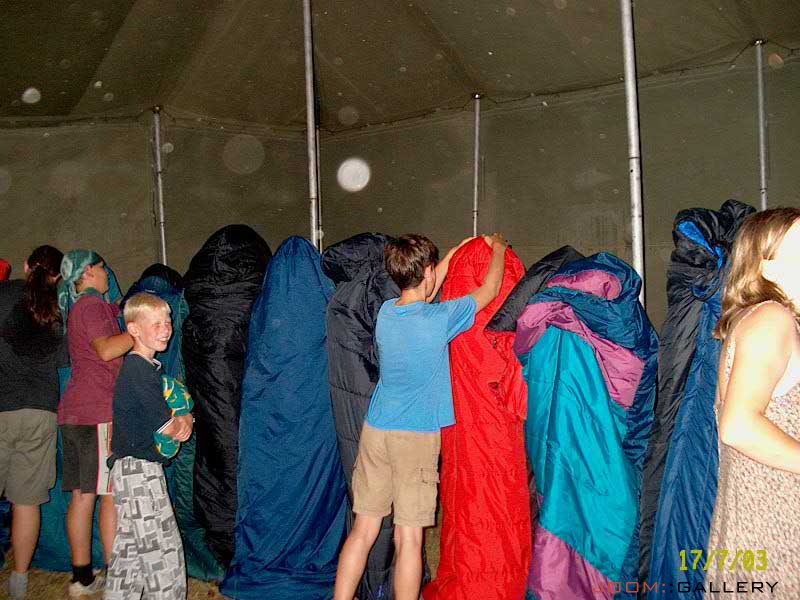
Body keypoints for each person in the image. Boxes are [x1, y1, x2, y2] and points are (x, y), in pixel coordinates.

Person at [333, 233, 509, 600]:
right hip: (414, 439)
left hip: (376, 431)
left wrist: (454, 252)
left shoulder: (387, 312)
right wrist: (499, 250)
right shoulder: (439, 319)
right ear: (427, 272)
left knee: (363, 531)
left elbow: (422, 292)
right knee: (409, 537)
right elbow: (490, 290)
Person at [705, 207, 800, 597]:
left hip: (758, 527)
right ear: (768, 266)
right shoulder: (771, 319)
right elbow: (738, 427)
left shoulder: (763, 319)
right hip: (776, 531)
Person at [104, 292, 192, 600]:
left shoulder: (148, 369)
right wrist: (185, 417)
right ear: (133, 329)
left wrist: (182, 418)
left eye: (167, 321)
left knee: (129, 553)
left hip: (133, 471)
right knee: (163, 552)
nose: (166, 329)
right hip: (139, 473)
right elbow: (171, 429)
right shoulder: (138, 371)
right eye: (155, 323)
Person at [58, 250, 133, 597]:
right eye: (103, 269)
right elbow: (106, 350)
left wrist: (121, 310)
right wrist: (140, 332)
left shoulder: (82, 307)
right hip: (98, 411)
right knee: (109, 495)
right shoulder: (90, 305)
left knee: (83, 496)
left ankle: (82, 577)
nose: (108, 274)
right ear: (88, 272)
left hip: (76, 412)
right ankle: (117, 575)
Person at [0, 246, 66, 600]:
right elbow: (63, 360)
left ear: (26, 266)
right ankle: (20, 583)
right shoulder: (55, 309)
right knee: (26, 503)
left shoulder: (3, 294)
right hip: (40, 412)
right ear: (58, 276)